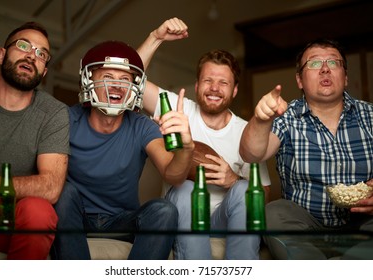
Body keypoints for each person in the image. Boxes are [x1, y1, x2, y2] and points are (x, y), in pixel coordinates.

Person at [51, 30, 195, 258]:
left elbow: (173, 174)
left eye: (125, 80)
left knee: (164, 211)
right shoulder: (66, 119)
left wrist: (186, 147)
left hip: (121, 220)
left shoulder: (141, 126)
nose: (117, 86)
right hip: (75, 216)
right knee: (64, 192)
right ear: (89, 80)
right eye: (108, 77)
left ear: (135, 87)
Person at [136, 19, 271, 259]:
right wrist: (156, 36)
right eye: (208, 80)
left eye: (223, 82)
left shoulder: (248, 133)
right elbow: (131, 81)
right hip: (182, 212)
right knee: (186, 187)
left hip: (224, 220)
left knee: (244, 189)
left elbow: (265, 195)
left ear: (234, 90)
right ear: (197, 85)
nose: (214, 88)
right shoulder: (177, 108)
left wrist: (233, 179)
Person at [240, 38, 373, 259]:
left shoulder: (369, 115)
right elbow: (251, 154)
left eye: (333, 63)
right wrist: (261, 119)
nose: (324, 69)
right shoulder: (287, 116)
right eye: (313, 64)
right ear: (299, 80)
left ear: (346, 76)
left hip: (362, 227)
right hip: (305, 229)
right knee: (274, 212)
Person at [0, 23, 70, 259]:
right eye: (23, 46)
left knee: (39, 211)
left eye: (42, 54)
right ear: (0, 55)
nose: (32, 55)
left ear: (43, 72)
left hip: (9, 221)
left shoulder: (53, 113)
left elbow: (51, 187)